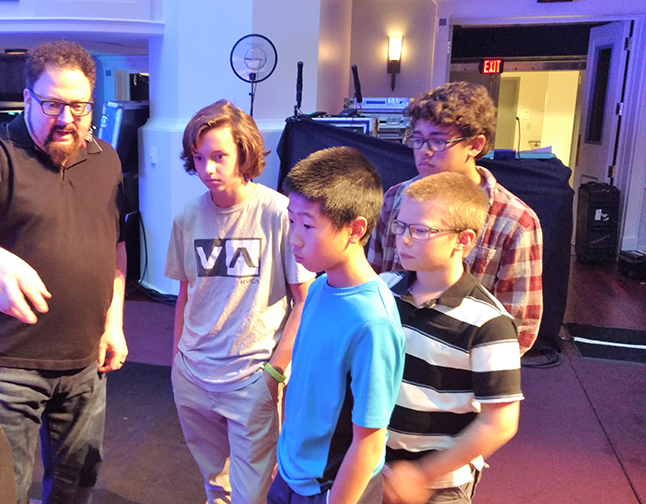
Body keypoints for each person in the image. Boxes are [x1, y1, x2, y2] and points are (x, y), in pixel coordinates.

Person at [0, 40, 128, 504]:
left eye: (77, 106)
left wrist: (113, 323)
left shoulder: (107, 158)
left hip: (85, 363)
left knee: (77, 486)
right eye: (52, 104)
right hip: (4, 368)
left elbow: (114, 247)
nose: (66, 119)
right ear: (28, 98)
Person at [165, 99, 315, 504]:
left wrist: (275, 372)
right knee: (216, 483)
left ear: (244, 154)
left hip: (252, 376)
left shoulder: (278, 212)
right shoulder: (186, 217)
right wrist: (178, 361)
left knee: (253, 493)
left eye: (219, 157)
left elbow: (305, 300)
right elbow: (185, 295)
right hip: (193, 374)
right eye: (199, 158)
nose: (207, 169)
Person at [269, 146, 405, 504]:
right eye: (292, 220)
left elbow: (370, 439)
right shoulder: (317, 287)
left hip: (330, 489)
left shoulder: (372, 321)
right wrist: (287, 460)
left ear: (355, 229)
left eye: (309, 225)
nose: (294, 238)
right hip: (293, 474)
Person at [367, 81, 543, 354]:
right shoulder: (395, 199)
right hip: (391, 351)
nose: (424, 151)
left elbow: (519, 325)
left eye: (438, 141)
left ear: (475, 145)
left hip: (461, 367)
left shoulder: (514, 221)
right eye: (417, 139)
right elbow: (375, 279)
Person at [379, 172, 523, 504]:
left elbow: (499, 423)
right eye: (400, 226)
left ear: (463, 240)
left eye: (421, 230)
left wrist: (422, 474)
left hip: (440, 484)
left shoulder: (489, 322)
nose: (404, 240)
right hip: (372, 464)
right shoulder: (384, 289)